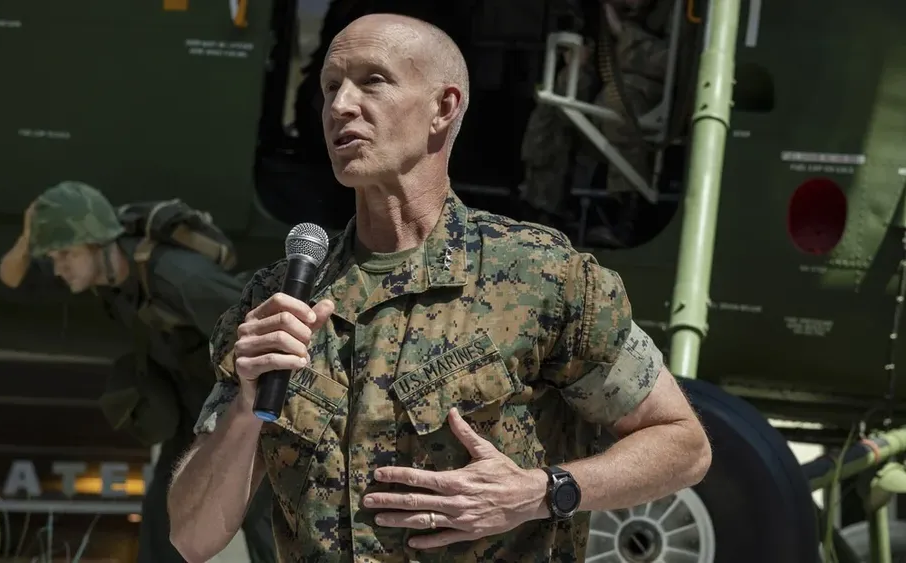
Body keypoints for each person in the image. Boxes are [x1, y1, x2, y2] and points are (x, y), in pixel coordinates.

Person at [168, 13, 710, 563]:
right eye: (331, 86)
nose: (339, 106)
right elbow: (192, 538)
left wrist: (541, 492)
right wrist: (244, 409)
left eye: (372, 81)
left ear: (443, 107)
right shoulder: (277, 301)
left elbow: (682, 444)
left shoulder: (539, 276)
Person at [0, 181, 276, 563]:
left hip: (232, 406)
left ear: (97, 244)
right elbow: (13, 283)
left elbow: (255, 328)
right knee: (167, 516)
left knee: (264, 523)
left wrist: (252, 416)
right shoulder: (100, 272)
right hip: (189, 407)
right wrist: (30, 236)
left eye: (64, 255)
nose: (58, 268)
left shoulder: (176, 276)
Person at [521, 0, 671, 247]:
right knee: (555, 101)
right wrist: (577, 62)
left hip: (648, 95)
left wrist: (623, 33)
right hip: (603, 93)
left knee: (617, 102)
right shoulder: (595, 12)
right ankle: (543, 206)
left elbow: (669, 64)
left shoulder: (668, 11)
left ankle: (625, 216)